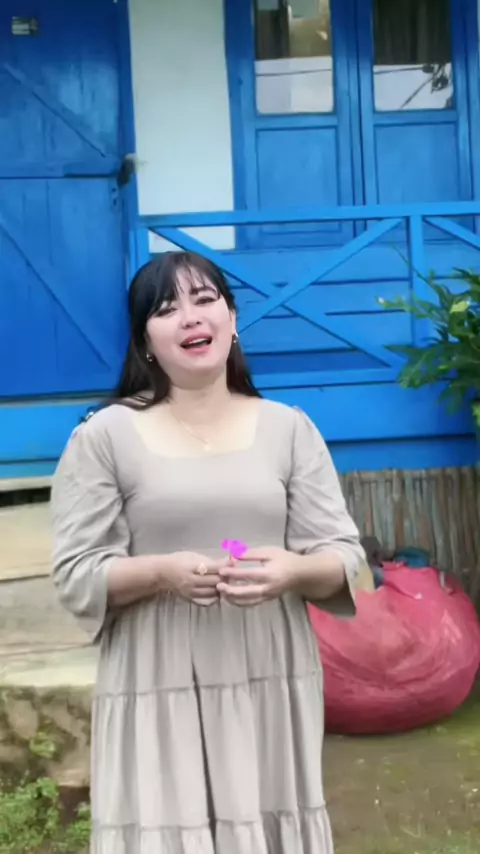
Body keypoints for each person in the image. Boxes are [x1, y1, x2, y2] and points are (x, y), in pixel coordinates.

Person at [51, 251, 365, 854]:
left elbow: (350, 565)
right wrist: (160, 572)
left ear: (232, 318)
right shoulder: (103, 437)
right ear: (145, 340)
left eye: (204, 299)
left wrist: (294, 569)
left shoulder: (289, 429)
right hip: (157, 674)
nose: (190, 317)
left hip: (269, 671)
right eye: (167, 309)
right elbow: (75, 574)